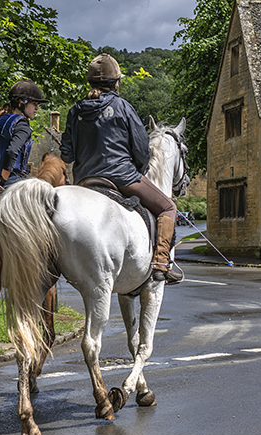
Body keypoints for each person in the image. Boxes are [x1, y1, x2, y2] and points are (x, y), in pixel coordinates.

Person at [60, 53, 183, 284]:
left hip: (85, 181)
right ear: (116, 83)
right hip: (122, 177)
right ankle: (161, 263)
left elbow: (67, 154)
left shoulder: (75, 111)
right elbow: (142, 151)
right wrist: (138, 168)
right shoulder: (123, 106)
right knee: (168, 207)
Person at [0, 79, 48, 186]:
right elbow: (12, 152)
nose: (37, 108)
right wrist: (2, 179)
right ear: (21, 102)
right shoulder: (22, 125)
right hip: (11, 181)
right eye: (34, 104)